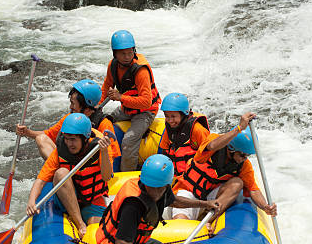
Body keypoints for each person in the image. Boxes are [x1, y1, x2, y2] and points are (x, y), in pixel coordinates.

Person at [171, 112, 277, 221]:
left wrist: (265, 207)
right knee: (180, 221)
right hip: (189, 193)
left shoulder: (244, 165)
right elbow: (212, 146)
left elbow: (253, 190)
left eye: (247, 155)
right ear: (231, 149)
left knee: (237, 183)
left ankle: (208, 220)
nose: (244, 159)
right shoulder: (213, 145)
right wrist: (239, 128)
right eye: (241, 155)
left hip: (210, 199)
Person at [26, 113, 113, 238]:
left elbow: (106, 177)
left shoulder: (99, 147)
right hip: (67, 198)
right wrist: (31, 201)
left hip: (92, 200)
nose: (69, 143)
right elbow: (41, 179)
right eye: (66, 138)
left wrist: (104, 152)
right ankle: (80, 223)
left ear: (84, 138)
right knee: (61, 173)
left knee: (97, 234)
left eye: (73, 139)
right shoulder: (61, 150)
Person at [99, 30, 162, 172]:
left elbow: (146, 102)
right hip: (127, 109)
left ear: (134, 51)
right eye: (123, 53)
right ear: (115, 53)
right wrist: (97, 107)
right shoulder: (113, 65)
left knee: (128, 142)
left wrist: (121, 97)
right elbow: (106, 89)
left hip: (146, 112)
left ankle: (128, 175)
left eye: (130, 52)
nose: (127, 57)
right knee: (104, 120)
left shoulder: (141, 71)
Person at [16, 79, 120, 160]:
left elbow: (113, 155)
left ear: (87, 108)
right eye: (71, 102)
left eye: (73, 104)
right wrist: (27, 132)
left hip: (89, 165)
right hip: (68, 164)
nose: (71, 107)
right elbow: (48, 135)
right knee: (41, 138)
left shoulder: (104, 123)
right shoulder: (70, 118)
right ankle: (59, 173)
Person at [158, 92, 210, 176]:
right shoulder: (169, 127)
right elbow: (164, 150)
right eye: (167, 116)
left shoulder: (198, 130)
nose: (170, 120)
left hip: (194, 175)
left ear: (183, 114)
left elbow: (209, 156)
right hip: (175, 174)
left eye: (173, 116)